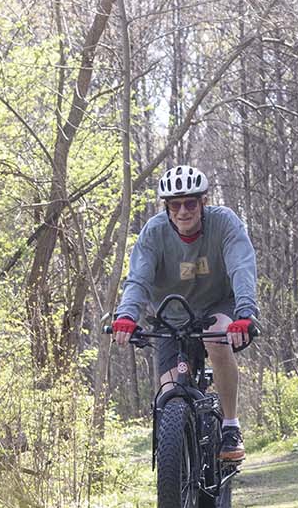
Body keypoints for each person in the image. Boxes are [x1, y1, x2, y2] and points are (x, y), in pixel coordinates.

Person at [111, 164, 259, 461]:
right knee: (168, 397)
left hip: (218, 305)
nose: (183, 212)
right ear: (166, 207)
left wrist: (245, 312)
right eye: (175, 205)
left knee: (214, 340)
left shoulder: (224, 223)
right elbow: (138, 278)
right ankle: (172, 494)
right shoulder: (154, 232)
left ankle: (230, 426)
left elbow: (241, 266)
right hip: (170, 316)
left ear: (203, 202)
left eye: (190, 203)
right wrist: (126, 316)